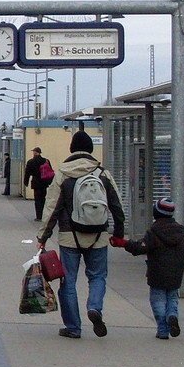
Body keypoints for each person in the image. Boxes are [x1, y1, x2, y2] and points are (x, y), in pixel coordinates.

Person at [36, 131, 125, 339]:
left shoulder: (63, 174)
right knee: (97, 277)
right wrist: (118, 234)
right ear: (91, 150)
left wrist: (43, 237)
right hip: (98, 234)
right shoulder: (102, 174)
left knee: (68, 281)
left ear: (71, 149)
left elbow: (52, 209)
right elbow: (117, 206)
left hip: (69, 236)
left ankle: (73, 327)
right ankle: (94, 307)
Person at [110, 198, 184, 340]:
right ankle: (172, 315)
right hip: (176, 274)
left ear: (156, 213)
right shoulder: (181, 232)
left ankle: (163, 330)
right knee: (172, 298)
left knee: (157, 300)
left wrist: (123, 243)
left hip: (157, 273)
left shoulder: (154, 232)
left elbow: (140, 247)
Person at [23, 147, 52, 221]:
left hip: (36, 182)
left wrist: (25, 182)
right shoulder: (46, 161)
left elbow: (27, 173)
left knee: (37, 200)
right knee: (43, 199)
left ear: (35, 152)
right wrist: (51, 182)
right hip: (44, 182)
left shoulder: (31, 162)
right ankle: (44, 215)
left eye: (33, 152)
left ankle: (39, 216)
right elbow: (50, 171)